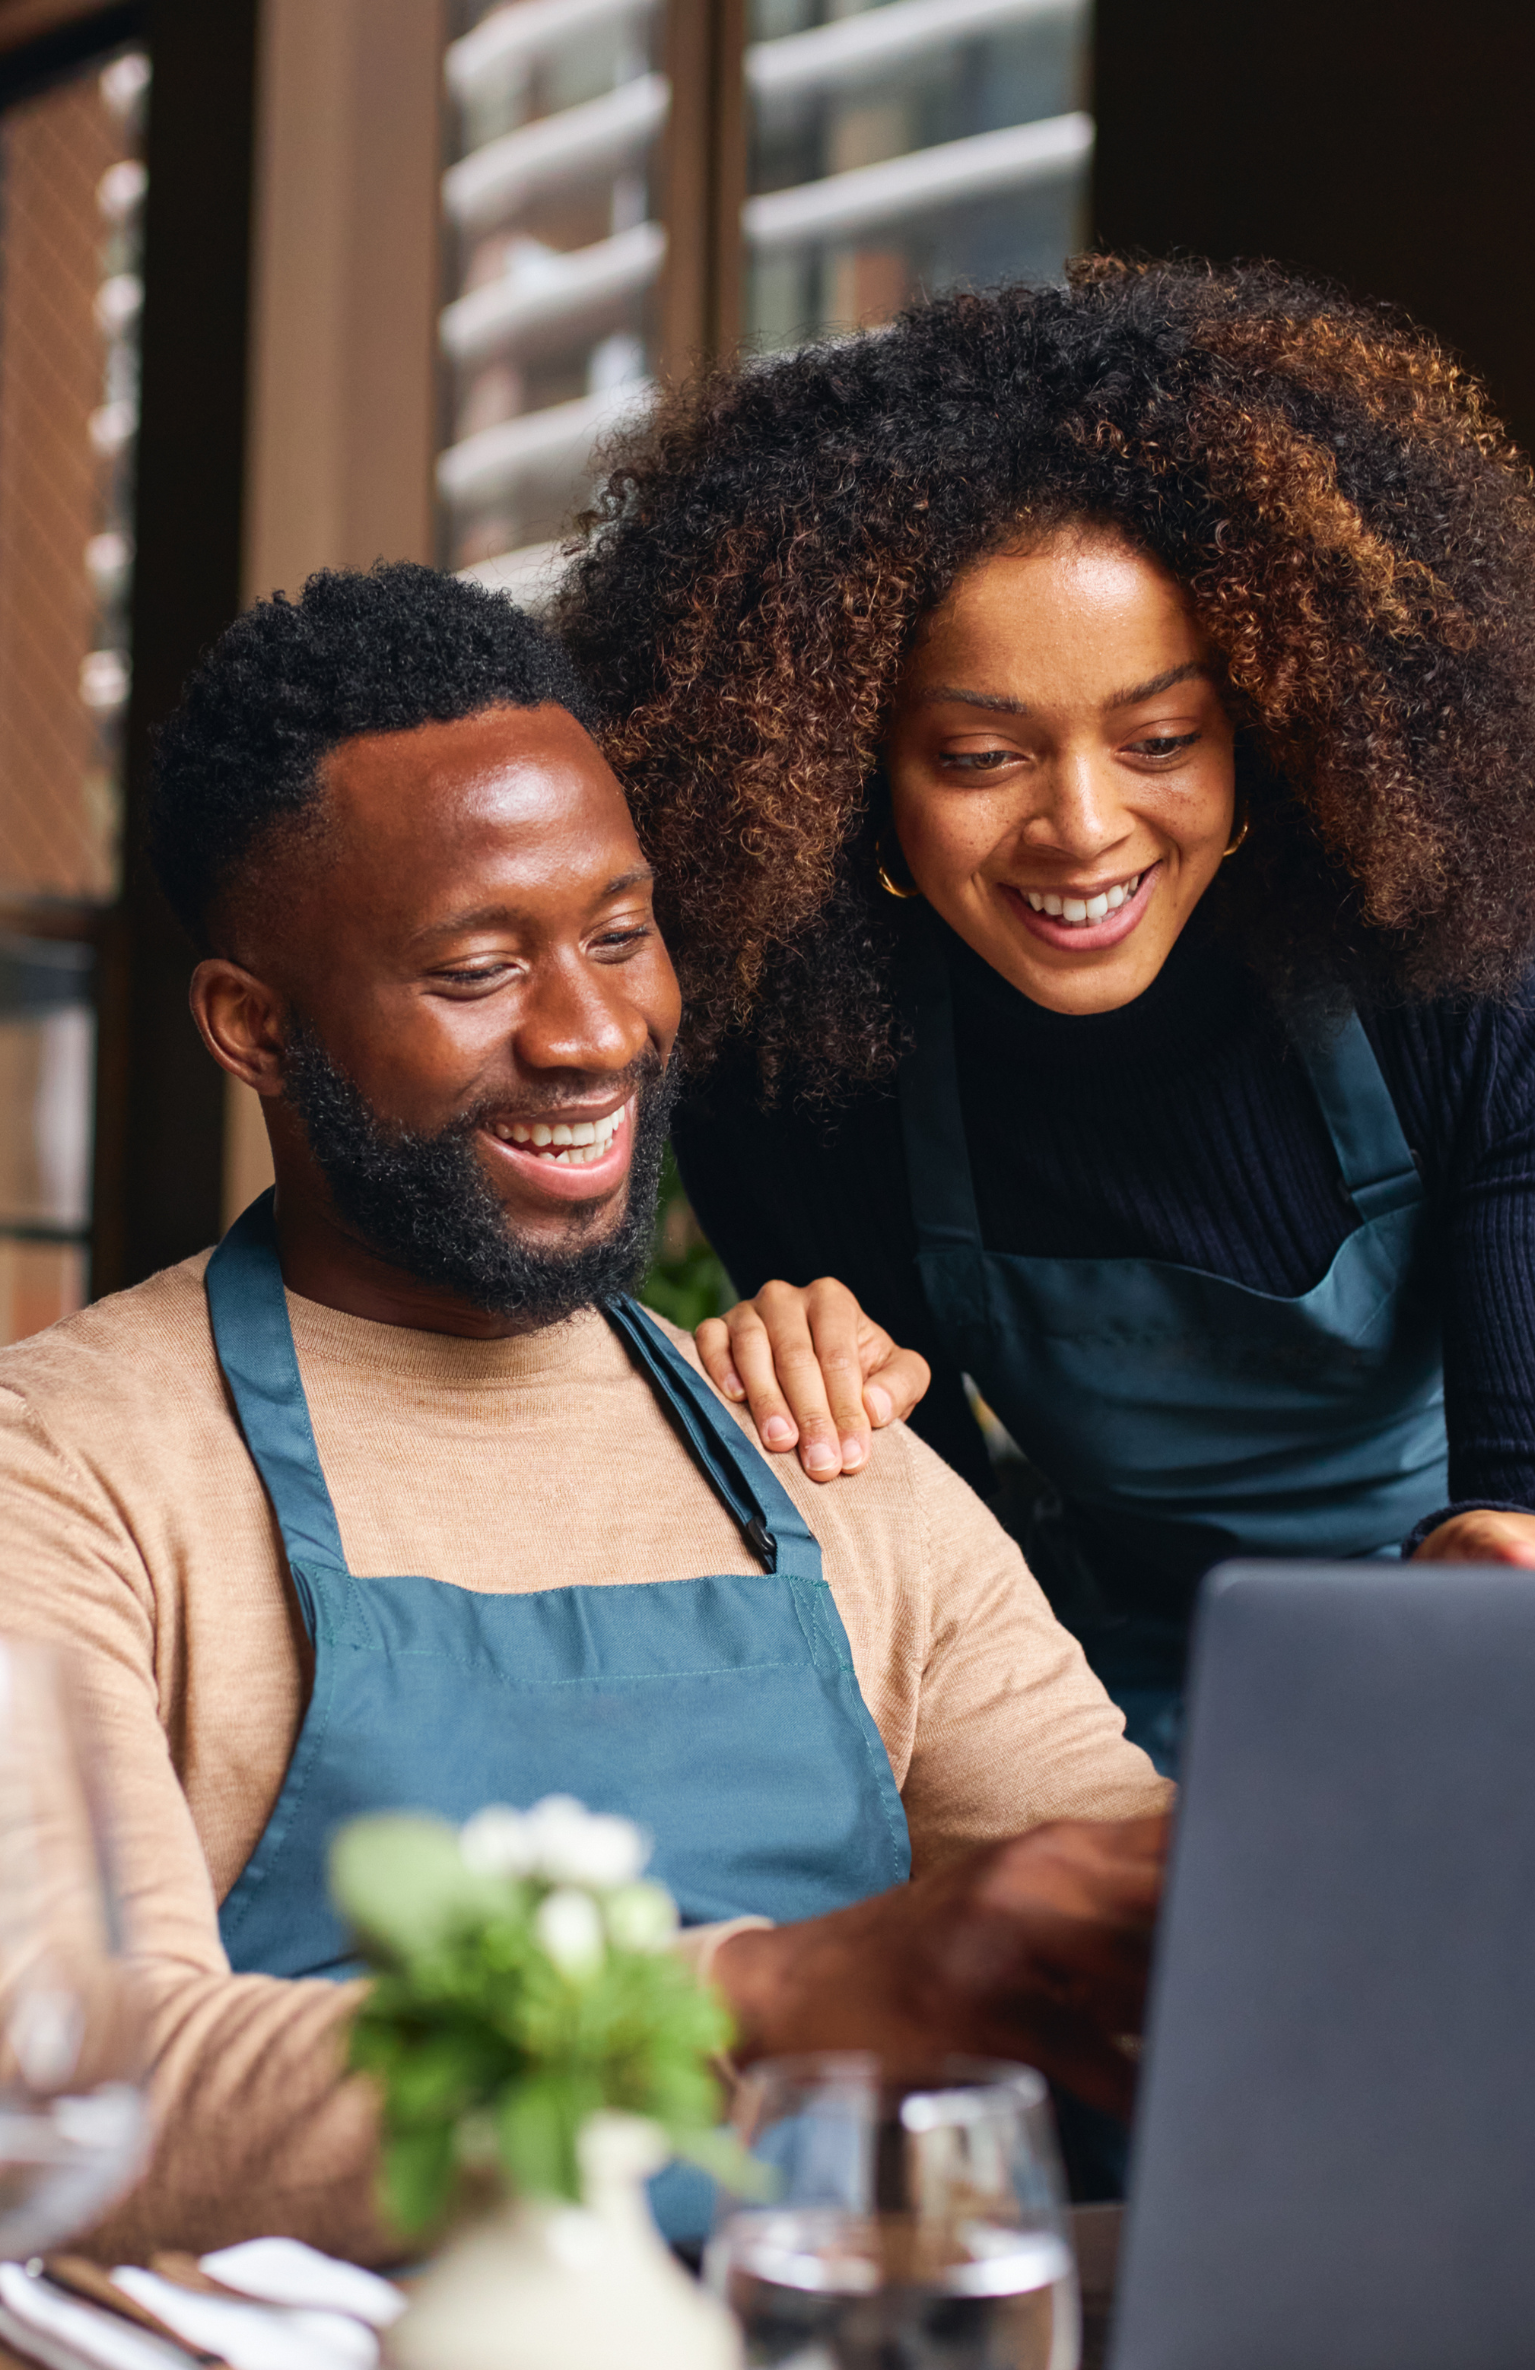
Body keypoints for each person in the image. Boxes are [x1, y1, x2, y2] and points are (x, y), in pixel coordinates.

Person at [0, 565, 1164, 2264]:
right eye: (480, 969)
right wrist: (773, 1991)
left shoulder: (816, 1436)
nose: (597, 1032)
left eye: (621, 933)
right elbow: (72, 2080)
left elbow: (1128, 1915)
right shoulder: (72, 1466)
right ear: (255, 1028)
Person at [557, 258, 1535, 1767]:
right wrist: (813, 1405)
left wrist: (1526, 1580)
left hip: (1530, 1624)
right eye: (981, 758)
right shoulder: (796, 1056)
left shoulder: (1493, 955)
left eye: (1163, 736)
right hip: (1139, 1670)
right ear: (846, 780)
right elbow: (945, 1579)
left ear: (1270, 727)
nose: (1084, 830)